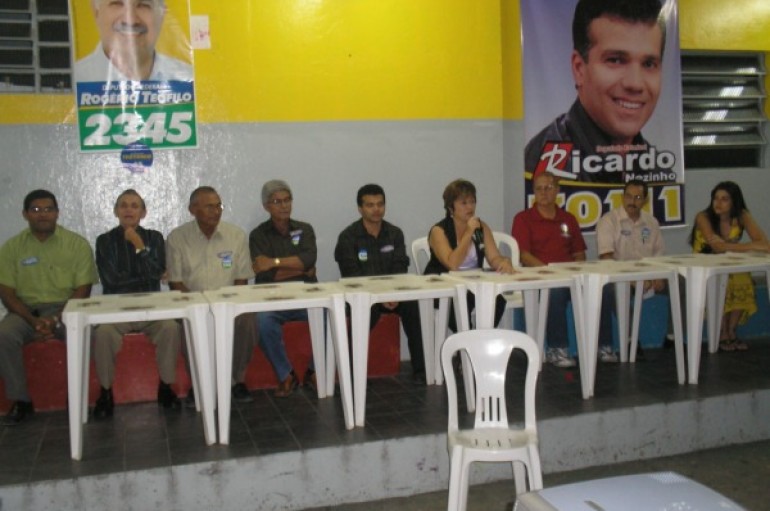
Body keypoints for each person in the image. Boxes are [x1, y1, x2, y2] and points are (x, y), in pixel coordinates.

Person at [525, 0, 666, 183]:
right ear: (579, 69)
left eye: (648, 64)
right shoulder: (546, 165)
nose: (635, 83)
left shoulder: (658, 168)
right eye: (615, 60)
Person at [0, 190, 98, 425]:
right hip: (24, 312)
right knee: (3, 335)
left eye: (48, 209)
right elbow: (6, 292)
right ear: (25, 214)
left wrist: (55, 318)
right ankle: (21, 400)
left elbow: (83, 289)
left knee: (88, 333)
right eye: (35, 210)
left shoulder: (76, 244)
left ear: (57, 213)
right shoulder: (12, 248)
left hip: (66, 309)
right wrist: (34, 321)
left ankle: (81, 397)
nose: (42, 215)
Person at [91, 189, 182, 419]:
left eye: (134, 205)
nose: (128, 209)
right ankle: (106, 392)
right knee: (103, 334)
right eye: (123, 205)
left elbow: (158, 271)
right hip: (117, 309)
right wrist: (149, 273)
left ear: (143, 212)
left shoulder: (154, 238)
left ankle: (166, 387)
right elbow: (111, 280)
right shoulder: (104, 241)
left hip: (151, 307)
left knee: (170, 328)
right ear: (115, 211)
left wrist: (139, 246)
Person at [512, 172, 616, 367]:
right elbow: (524, 255)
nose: (543, 193)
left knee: (603, 289)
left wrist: (577, 273)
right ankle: (557, 349)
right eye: (539, 189)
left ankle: (604, 346)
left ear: (557, 190)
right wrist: (550, 272)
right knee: (556, 292)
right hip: (541, 277)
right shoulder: (524, 219)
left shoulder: (567, 218)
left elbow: (579, 254)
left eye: (548, 188)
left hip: (571, 275)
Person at [166, 186, 257, 404]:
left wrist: (229, 304)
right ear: (192, 209)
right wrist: (199, 306)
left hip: (229, 301)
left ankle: (237, 380)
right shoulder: (177, 238)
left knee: (247, 319)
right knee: (191, 321)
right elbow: (176, 282)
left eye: (219, 206)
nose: (216, 211)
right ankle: (199, 382)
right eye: (209, 206)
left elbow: (242, 278)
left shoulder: (235, 235)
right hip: (192, 301)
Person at [334, 184, 426, 384]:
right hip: (362, 296)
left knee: (413, 307)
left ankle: (421, 369)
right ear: (360, 208)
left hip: (393, 294)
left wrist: (391, 295)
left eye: (380, 204)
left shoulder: (395, 233)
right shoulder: (348, 237)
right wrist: (379, 298)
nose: (376, 209)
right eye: (370, 205)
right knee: (364, 313)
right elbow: (351, 275)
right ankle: (348, 372)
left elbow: (400, 267)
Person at [249, 180, 318, 397]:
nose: (284, 206)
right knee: (261, 320)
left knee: (330, 314)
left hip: (306, 295)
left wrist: (275, 262)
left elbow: (309, 259)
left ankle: (314, 371)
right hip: (272, 297)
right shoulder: (258, 235)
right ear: (266, 206)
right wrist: (300, 268)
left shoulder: (305, 229)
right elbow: (265, 273)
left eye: (287, 200)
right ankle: (285, 374)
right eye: (277, 201)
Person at [689, 181, 770, 352]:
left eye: (724, 199)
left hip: (729, 261)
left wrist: (731, 247)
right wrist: (748, 246)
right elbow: (717, 248)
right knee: (725, 281)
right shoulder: (703, 217)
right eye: (716, 198)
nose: (718, 203)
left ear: (734, 201)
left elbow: (765, 244)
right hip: (705, 264)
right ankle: (721, 332)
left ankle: (731, 330)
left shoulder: (742, 216)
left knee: (743, 278)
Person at [424, 179, 513, 331]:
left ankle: (482, 339)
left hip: (472, 285)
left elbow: (493, 258)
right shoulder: (438, 231)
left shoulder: (481, 226)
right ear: (451, 207)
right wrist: (468, 232)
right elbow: (452, 264)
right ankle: (466, 345)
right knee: (460, 303)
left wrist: (504, 262)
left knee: (497, 301)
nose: (470, 207)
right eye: (464, 203)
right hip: (444, 285)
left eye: (472, 202)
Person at [75, 0, 193, 82]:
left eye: (143, 4)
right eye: (117, 3)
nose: (130, 20)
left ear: (161, 14)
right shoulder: (75, 79)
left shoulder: (189, 80)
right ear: (96, 11)